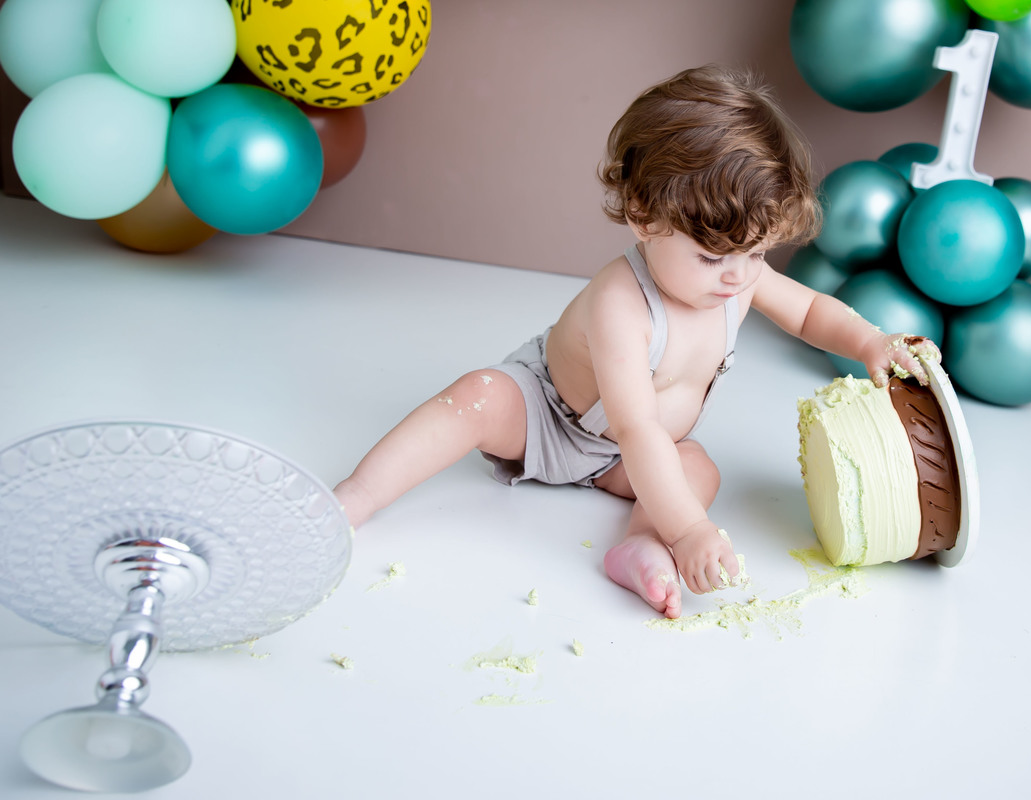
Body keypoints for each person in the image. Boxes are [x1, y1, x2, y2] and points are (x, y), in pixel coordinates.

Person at [334, 64, 939, 619]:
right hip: (550, 418)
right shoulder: (621, 303)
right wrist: (691, 531)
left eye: (757, 253)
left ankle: (639, 546)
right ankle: (354, 498)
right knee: (478, 396)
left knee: (697, 468)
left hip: (623, 461)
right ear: (646, 217)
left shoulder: (739, 276)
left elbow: (808, 312)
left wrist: (869, 341)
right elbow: (637, 425)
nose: (738, 276)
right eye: (713, 257)